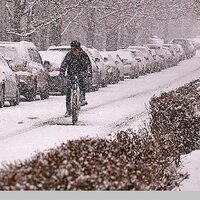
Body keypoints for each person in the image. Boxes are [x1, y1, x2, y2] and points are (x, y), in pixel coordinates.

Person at [59, 40, 92, 117]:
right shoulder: (69, 55)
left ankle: (82, 97)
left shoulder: (83, 55)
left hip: (81, 72)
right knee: (68, 91)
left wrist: (89, 72)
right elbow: (64, 64)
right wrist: (62, 72)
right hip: (71, 73)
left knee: (82, 83)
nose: (75, 51)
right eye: (73, 50)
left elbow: (89, 64)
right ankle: (68, 110)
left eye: (76, 50)